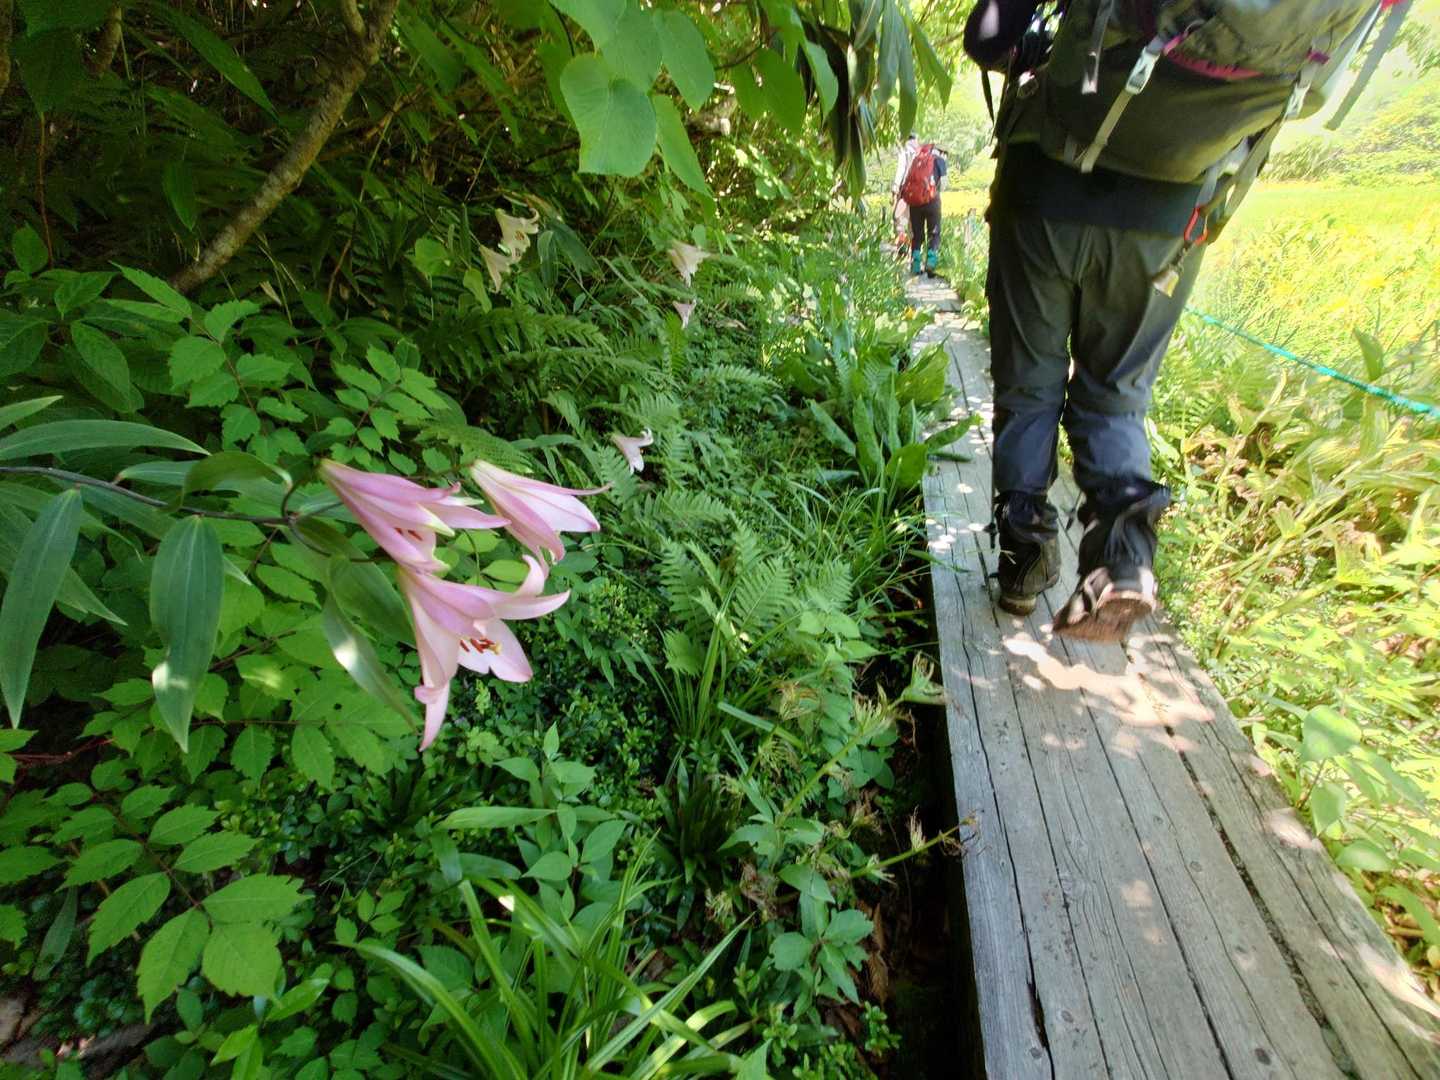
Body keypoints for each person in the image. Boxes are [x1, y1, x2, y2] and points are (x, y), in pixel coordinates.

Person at [962, 0, 1379, 642]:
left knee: (1027, 389)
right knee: (1115, 396)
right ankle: (1124, 561)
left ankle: (1022, 570)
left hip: (1043, 194)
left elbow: (989, 39)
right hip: (1168, 217)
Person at [892, 134, 948, 275]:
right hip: (932, 202)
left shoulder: (917, 159)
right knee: (934, 233)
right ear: (942, 152)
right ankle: (931, 263)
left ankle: (915, 266)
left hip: (915, 202)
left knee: (917, 235)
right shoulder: (940, 161)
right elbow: (944, 184)